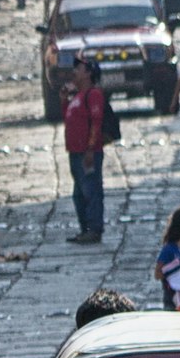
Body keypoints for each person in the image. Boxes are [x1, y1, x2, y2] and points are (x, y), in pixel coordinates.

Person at [62, 65, 115, 244]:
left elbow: (96, 122)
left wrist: (91, 148)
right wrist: (64, 101)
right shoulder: (77, 96)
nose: (74, 71)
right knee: (79, 194)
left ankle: (94, 229)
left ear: (89, 74)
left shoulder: (93, 95)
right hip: (75, 151)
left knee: (91, 190)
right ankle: (84, 229)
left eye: (79, 69)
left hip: (87, 152)